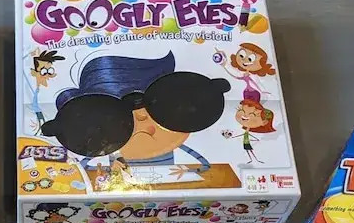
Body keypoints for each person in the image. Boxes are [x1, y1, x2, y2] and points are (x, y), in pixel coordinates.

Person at [41, 52, 229, 178]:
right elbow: (84, 167)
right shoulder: (108, 147)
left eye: (168, 108)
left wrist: (185, 171)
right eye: (115, 119)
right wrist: (106, 170)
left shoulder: (173, 144)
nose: (142, 119)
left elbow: (205, 166)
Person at [224, 99, 275, 164]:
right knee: (248, 151)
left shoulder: (250, 132)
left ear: (264, 122)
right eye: (241, 110)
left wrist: (254, 139)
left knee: (250, 151)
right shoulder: (244, 131)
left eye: (252, 114)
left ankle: (256, 160)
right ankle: (252, 160)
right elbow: (242, 135)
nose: (244, 116)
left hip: (247, 143)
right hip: (245, 143)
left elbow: (245, 135)